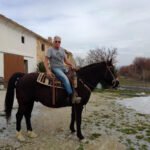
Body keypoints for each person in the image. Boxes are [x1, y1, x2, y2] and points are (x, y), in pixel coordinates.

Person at [44, 36, 81, 104]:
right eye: (56, 41)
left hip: (63, 67)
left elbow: (66, 61)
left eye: (59, 42)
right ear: (53, 42)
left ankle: (75, 92)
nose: (57, 43)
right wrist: (48, 70)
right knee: (64, 78)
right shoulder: (50, 50)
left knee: (74, 75)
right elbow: (45, 61)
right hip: (55, 68)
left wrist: (72, 65)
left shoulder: (62, 50)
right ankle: (72, 97)